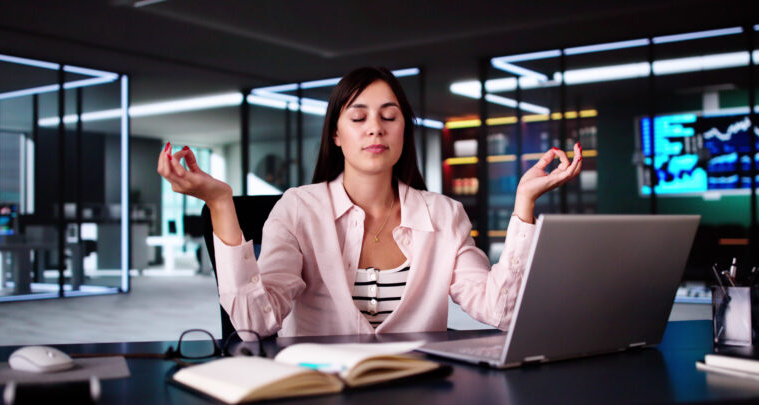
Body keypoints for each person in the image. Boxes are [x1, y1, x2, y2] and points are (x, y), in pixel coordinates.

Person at [158, 67, 582, 340]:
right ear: (337, 136)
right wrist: (219, 202)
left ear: (403, 133)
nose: (375, 129)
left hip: (418, 390)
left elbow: (501, 310)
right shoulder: (297, 210)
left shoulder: (445, 214)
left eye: (389, 117)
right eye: (358, 118)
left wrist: (524, 203)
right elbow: (254, 322)